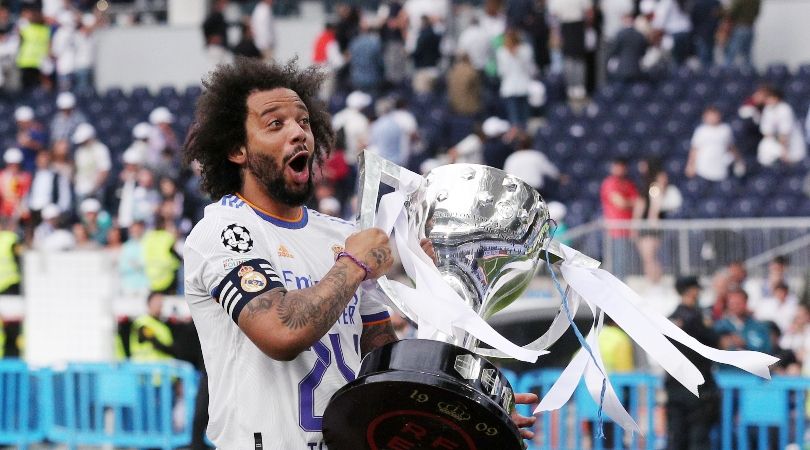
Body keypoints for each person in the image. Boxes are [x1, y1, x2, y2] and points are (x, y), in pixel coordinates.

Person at [182, 58, 537, 448]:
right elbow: (280, 332)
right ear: (237, 149)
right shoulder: (224, 230)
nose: (299, 133)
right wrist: (353, 265)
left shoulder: (341, 235)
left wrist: (461, 400)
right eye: (275, 124)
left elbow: (380, 362)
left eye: (304, 121)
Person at [666, 276, 720, 450]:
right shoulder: (697, 319)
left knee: (676, 438)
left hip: (674, 386)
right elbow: (714, 341)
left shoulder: (669, 319)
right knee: (698, 440)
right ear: (691, 291)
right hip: (697, 388)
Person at [600, 157, 639, 280]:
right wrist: (631, 202)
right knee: (617, 262)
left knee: (624, 262)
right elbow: (620, 203)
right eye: (617, 166)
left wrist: (629, 202)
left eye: (622, 166)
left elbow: (638, 201)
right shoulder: (609, 183)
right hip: (615, 230)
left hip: (628, 229)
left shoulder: (629, 183)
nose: (619, 169)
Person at [686, 106, 742, 182]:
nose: (712, 118)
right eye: (709, 116)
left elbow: (731, 147)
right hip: (703, 169)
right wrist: (690, 165)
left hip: (720, 168)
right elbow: (694, 149)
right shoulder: (701, 130)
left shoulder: (725, 129)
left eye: (714, 115)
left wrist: (738, 161)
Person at [757, 86, 806, 167]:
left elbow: (785, 133)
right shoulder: (768, 109)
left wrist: (784, 151)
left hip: (792, 145)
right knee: (765, 144)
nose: (766, 100)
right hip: (778, 144)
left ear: (776, 98)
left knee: (792, 165)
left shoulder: (785, 109)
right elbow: (766, 132)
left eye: (769, 98)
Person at [130, 291, 175, 362]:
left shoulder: (164, 327)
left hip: (163, 369)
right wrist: (170, 349)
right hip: (145, 368)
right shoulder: (142, 322)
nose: (160, 304)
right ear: (149, 303)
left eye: (161, 301)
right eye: (156, 301)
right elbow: (154, 341)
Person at [723, 0, 760, 68]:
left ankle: (725, 73)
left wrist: (723, 10)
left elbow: (731, 13)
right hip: (750, 27)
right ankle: (750, 74)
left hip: (740, 27)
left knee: (731, 53)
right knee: (747, 55)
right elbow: (757, 12)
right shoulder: (756, 1)